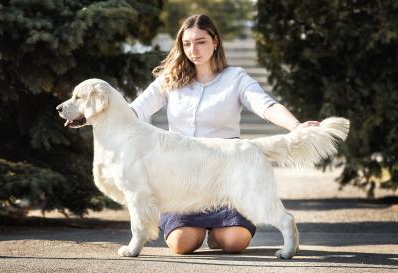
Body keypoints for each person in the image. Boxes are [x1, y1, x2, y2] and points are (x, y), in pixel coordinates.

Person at [129, 14, 319, 255]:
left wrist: (295, 126)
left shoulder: (236, 78)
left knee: (234, 243)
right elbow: (135, 110)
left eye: (200, 42)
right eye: (187, 43)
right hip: (181, 179)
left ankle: (219, 234)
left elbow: (266, 105)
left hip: (228, 175)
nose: (193, 50)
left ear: (215, 41)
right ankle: (200, 231)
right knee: (181, 244)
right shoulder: (169, 79)